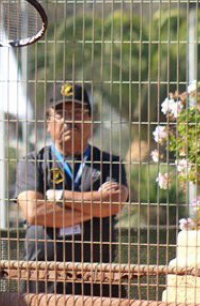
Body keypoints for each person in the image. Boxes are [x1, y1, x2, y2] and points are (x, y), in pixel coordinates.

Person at [15, 83, 130, 297]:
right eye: (61, 114)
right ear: (48, 122)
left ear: (90, 120)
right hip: (43, 285)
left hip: (98, 285)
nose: (69, 120)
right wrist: (95, 209)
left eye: (78, 113)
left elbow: (114, 202)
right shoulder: (32, 163)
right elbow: (33, 212)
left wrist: (59, 197)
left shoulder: (109, 163)